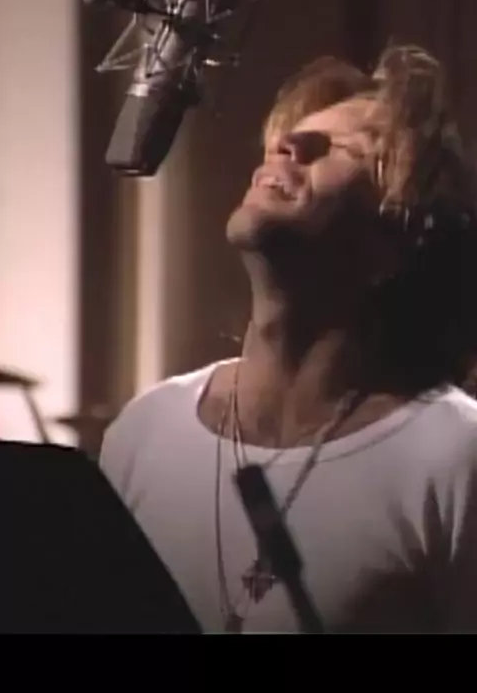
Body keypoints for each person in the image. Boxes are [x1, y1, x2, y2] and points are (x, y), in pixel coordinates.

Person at [100, 43, 477, 633]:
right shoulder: (143, 431)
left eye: (348, 147)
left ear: (395, 241)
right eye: (292, 134)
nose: (289, 144)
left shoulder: (454, 456)